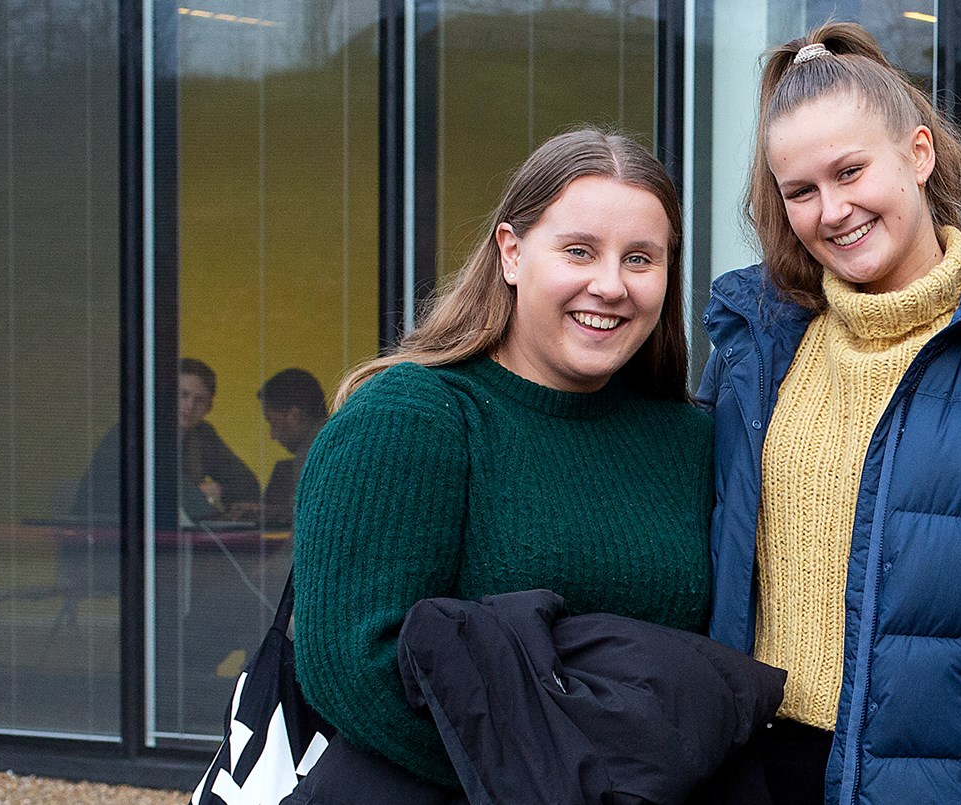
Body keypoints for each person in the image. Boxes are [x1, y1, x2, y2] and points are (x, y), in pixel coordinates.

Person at [699, 23, 961, 805]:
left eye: (851, 170)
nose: (833, 209)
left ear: (920, 154)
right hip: (750, 776)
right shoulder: (753, 351)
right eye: (801, 190)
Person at [288, 128, 711, 795]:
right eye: (579, 250)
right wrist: (552, 783)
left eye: (640, 258)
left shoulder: (687, 438)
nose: (610, 285)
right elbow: (352, 667)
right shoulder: (411, 418)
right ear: (512, 253)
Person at [69, 357, 260, 526]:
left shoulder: (203, 434)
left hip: (173, 538)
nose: (189, 406)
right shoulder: (135, 431)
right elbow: (162, 486)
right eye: (182, 395)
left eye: (199, 400)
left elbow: (247, 483)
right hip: (109, 538)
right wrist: (195, 493)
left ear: (209, 407)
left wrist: (220, 490)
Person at [243, 367, 327, 528]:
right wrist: (272, 511)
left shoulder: (311, 453)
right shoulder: (335, 441)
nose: (272, 435)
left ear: (294, 416)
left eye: (272, 422)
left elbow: (302, 529)